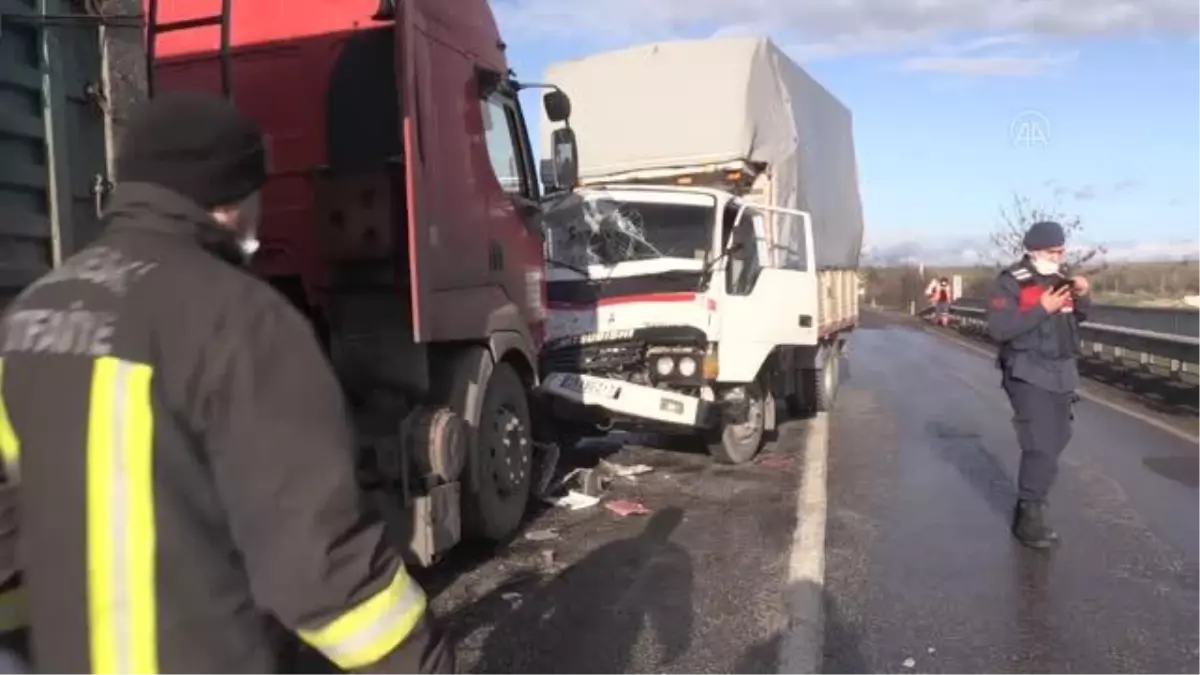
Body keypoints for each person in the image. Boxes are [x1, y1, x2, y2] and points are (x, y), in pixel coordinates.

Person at [0, 91, 452, 674]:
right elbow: (320, 564)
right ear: (233, 200)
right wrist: (421, 662)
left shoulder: (32, 316)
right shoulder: (242, 321)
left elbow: (11, 517)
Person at [986, 220, 1091, 549]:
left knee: (1059, 438)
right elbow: (1000, 329)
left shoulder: (1062, 280)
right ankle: (1029, 515)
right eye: (1053, 251)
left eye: (1062, 250)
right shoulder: (1011, 282)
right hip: (1027, 370)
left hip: (1062, 370)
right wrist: (1042, 309)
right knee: (1040, 443)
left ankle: (1032, 501)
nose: (1059, 256)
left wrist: (1084, 296)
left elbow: (1077, 319)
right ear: (1034, 250)